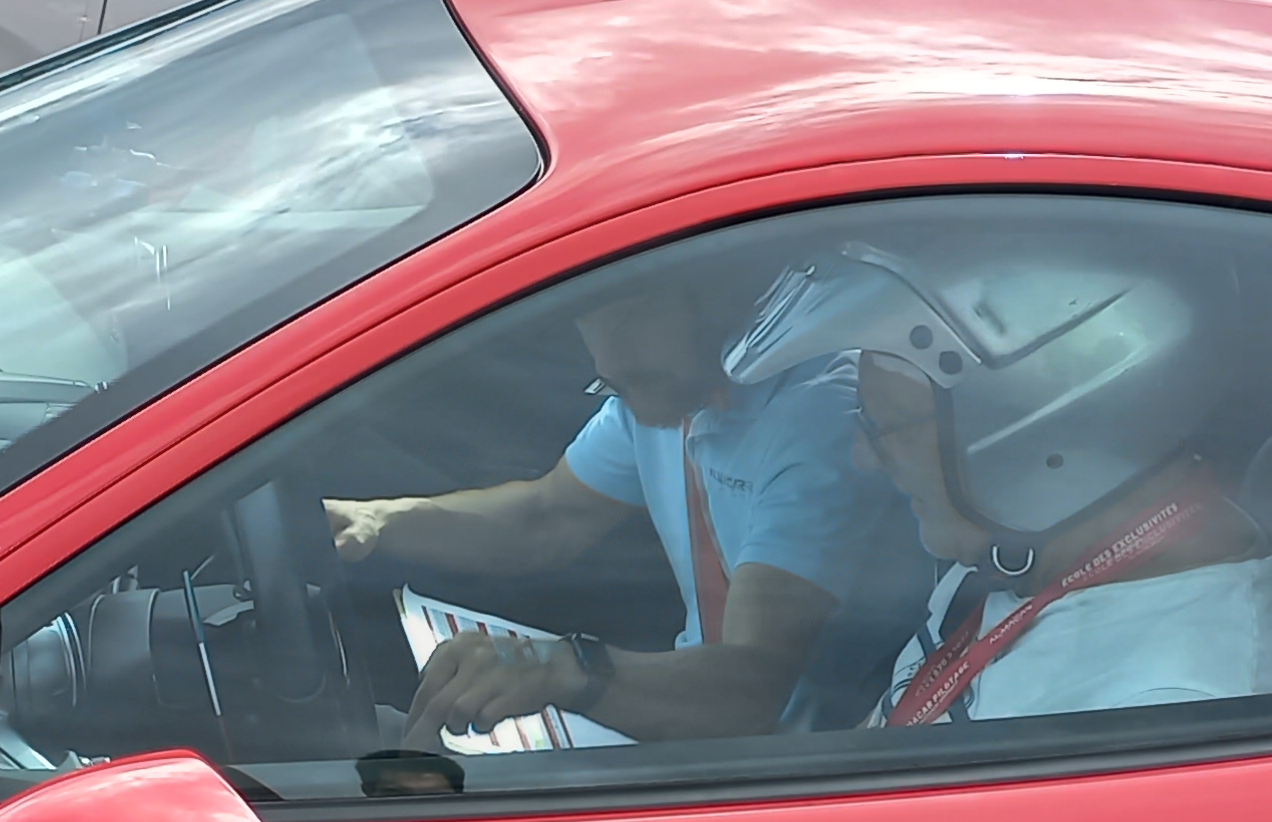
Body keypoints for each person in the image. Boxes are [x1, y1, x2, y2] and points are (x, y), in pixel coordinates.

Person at [721, 226, 1272, 725]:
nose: (865, 456)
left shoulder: (1168, 707)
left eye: (887, 427)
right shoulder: (1015, 557)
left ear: (1034, 429)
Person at [328, 268, 878, 745]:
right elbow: (546, 518)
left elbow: (748, 695)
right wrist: (380, 521)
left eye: (637, 315)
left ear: (721, 296)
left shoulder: (816, 421)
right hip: (702, 729)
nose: (635, 399)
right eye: (615, 384)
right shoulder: (666, 390)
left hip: (801, 764)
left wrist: (568, 671)